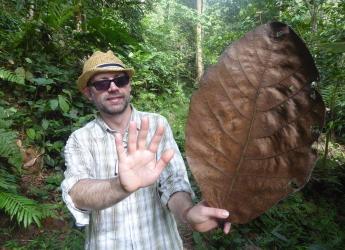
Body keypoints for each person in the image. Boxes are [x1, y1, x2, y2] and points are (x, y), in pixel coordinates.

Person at [61, 50, 231, 249]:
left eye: (120, 80)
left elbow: (173, 182)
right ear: (89, 93)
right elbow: (77, 192)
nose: (113, 87)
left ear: (129, 85)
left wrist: (187, 214)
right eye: (102, 83)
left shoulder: (157, 125)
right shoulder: (80, 139)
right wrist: (120, 186)